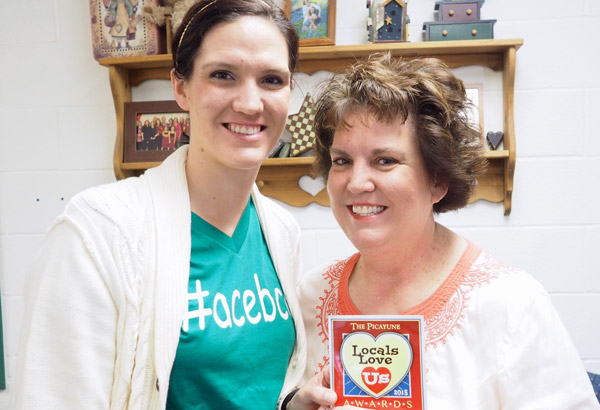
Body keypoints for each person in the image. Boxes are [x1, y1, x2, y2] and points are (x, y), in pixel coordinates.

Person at [14, 1, 307, 409]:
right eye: (223, 75)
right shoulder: (97, 233)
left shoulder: (280, 230)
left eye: (272, 80)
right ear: (181, 87)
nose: (251, 103)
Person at [288, 54, 600, 409]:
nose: (356, 182)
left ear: (437, 180)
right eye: (342, 161)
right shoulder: (309, 298)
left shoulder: (512, 305)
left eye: (385, 160)